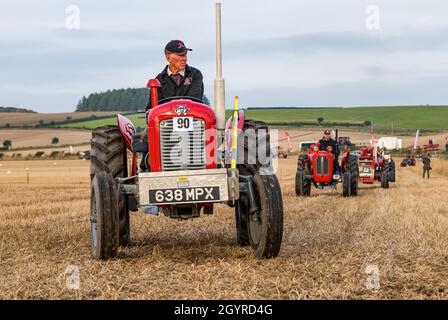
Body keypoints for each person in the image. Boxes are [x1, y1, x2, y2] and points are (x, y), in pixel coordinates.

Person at [146, 40, 204, 110]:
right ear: (168, 58)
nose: (184, 58)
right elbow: (151, 109)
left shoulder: (195, 75)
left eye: (185, 54)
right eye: (180, 55)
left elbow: (195, 102)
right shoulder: (159, 80)